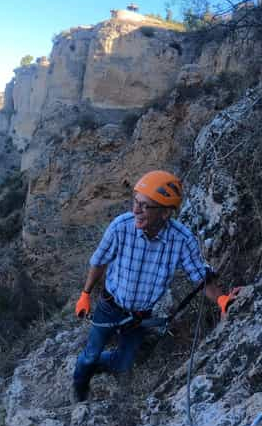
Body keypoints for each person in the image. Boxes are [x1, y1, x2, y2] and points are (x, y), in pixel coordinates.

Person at [72, 170, 240, 402]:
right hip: (110, 307)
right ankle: (80, 388)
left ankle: (97, 366)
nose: (135, 211)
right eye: (135, 203)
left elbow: (200, 276)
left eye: (144, 206)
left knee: (123, 363)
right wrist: (85, 294)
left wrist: (221, 299)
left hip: (140, 316)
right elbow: (99, 261)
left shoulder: (181, 240)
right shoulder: (121, 227)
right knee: (89, 355)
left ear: (165, 212)